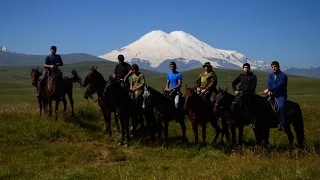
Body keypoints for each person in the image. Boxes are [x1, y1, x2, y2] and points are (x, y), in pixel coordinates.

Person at [263, 61, 288, 131]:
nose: (274, 68)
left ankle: (282, 124)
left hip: (280, 95)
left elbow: (279, 85)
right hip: (272, 94)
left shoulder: (283, 76)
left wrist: (269, 89)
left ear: (278, 67)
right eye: (272, 67)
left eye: (275, 66)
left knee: (281, 106)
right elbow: (268, 83)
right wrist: (269, 91)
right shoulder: (270, 75)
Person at [232, 63, 257, 128]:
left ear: (249, 68)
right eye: (245, 67)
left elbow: (253, 87)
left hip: (249, 94)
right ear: (243, 68)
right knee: (234, 103)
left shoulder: (253, 76)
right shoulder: (241, 76)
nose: (246, 68)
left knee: (248, 105)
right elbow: (234, 83)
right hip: (240, 94)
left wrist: (245, 91)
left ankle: (252, 120)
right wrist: (235, 90)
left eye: (248, 67)